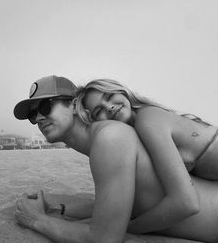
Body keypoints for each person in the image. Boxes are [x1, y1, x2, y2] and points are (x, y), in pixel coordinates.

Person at [13, 75, 218, 243]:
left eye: (46, 107)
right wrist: (57, 209)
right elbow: (119, 206)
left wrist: (35, 220)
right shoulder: (110, 138)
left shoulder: (111, 136)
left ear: (75, 105)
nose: (39, 118)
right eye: (33, 115)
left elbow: (105, 238)